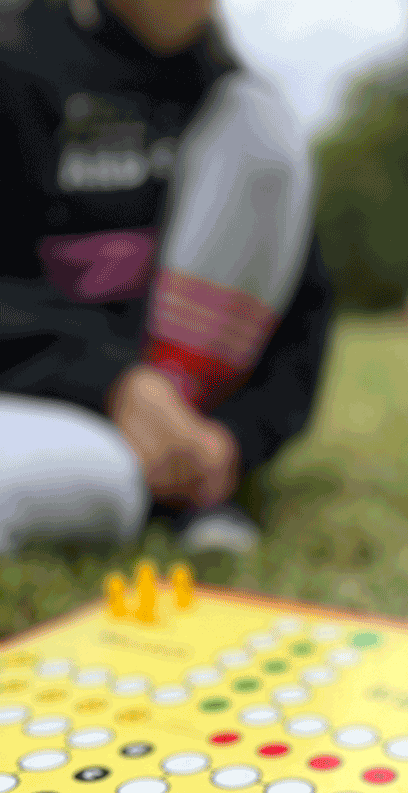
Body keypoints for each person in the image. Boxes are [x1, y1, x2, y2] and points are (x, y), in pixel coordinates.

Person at [0, 0, 334, 556]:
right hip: (38, 406)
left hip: (170, 428)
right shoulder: (15, 59)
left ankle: (183, 493)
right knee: (99, 474)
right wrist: (112, 384)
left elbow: (302, 322)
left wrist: (231, 442)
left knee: (263, 136)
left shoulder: (246, 114)